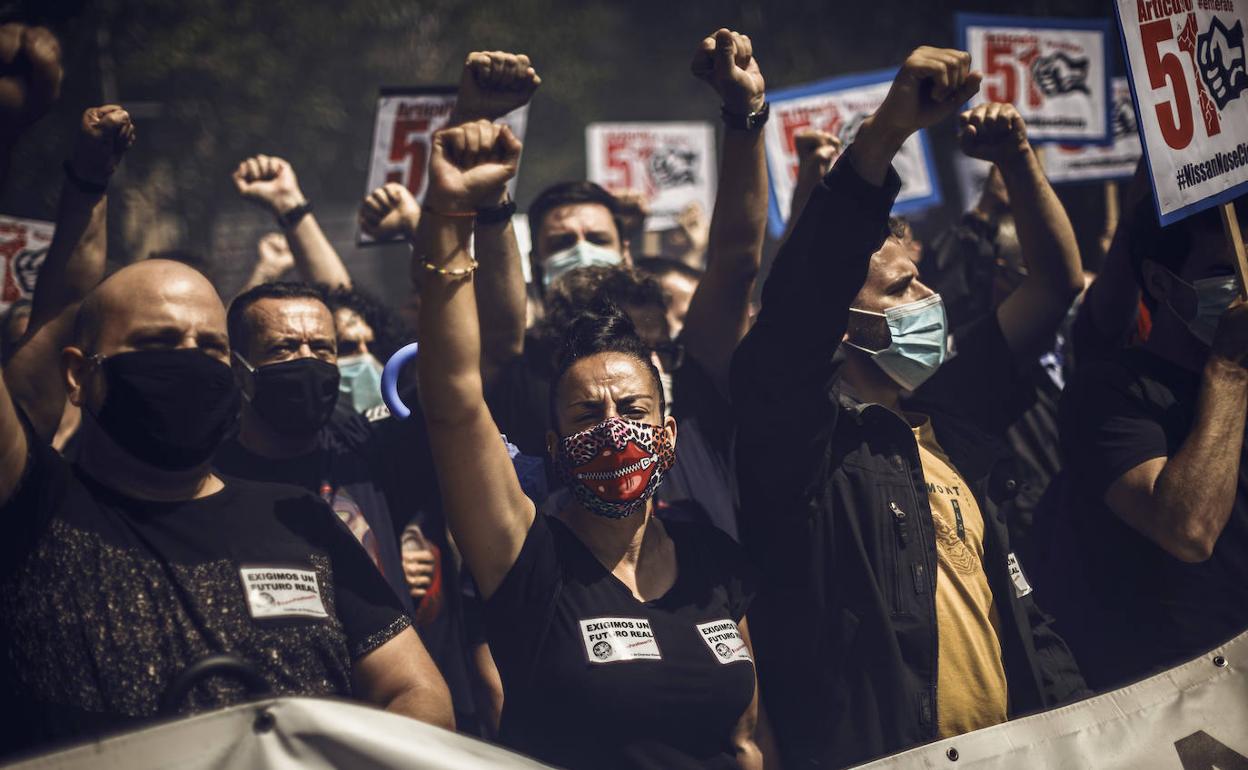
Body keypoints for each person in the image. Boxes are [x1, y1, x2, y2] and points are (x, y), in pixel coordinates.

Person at [732, 50, 1089, 768]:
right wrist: (889, 130)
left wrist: (1018, 159)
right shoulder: (804, 442)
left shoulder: (951, 414)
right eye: (898, 291)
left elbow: (1056, 285)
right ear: (840, 319)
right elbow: (800, 302)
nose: (926, 302)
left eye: (920, 283)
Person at [394, 102, 772, 768]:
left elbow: (747, 742)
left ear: (670, 430)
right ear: (553, 439)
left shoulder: (714, 561)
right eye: (587, 417)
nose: (614, 429)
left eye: (632, 409)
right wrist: (452, 216)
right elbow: (454, 400)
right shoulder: (525, 557)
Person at [0, 256, 452, 754]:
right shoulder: (36, 511)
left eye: (210, 347)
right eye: (159, 343)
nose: (190, 360)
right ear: (78, 375)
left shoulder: (302, 519)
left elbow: (416, 691)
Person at [1049, 196, 1248, 691]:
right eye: (1226, 271)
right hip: (1189, 700)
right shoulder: (1109, 393)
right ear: (1161, 282)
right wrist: (1228, 370)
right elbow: (1188, 530)